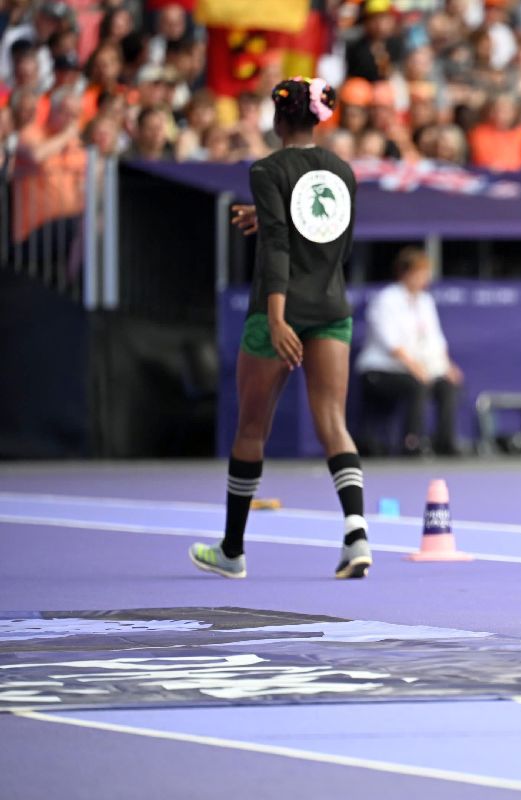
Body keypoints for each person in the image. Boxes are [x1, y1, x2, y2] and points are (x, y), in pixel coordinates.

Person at [188, 77, 372, 580]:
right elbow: (331, 235)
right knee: (333, 422)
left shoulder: (266, 168)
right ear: (317, 119)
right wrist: (272, 216)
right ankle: (356, 535)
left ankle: (232, 551)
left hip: (280, 311)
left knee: (252, 427)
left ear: (277, 119)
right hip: (333, 307)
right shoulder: (343, 169)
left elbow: (276, 246)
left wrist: (275, 316)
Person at [356, 247, 464, 456]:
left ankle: (445, 442)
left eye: (426, 273)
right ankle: (412, 442)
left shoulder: (426, 301)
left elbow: (434, 339)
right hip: (380, 370)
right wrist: (415, 368)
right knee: (417, 385)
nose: (425, 278)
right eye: (420, 273)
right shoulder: (386, 300)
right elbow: (391, 343)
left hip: (417, 369)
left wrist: (447, 366)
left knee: (448, 385)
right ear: (405, 273)